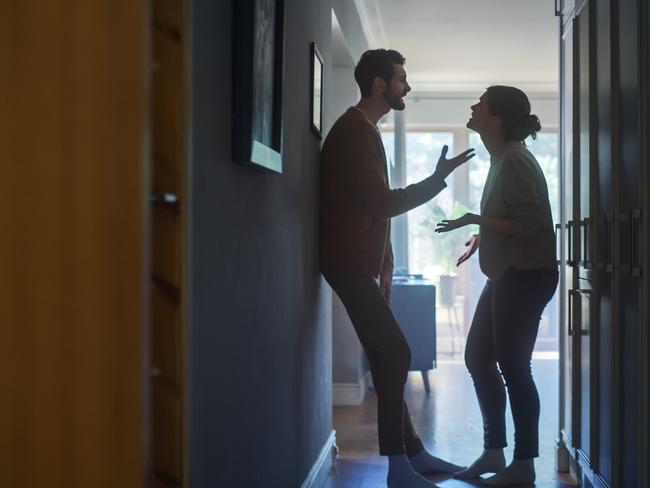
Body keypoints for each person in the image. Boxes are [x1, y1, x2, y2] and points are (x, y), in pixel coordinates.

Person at [320, 49, 475, 488]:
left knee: (386, 355)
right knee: (397, 352)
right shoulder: (355, 131)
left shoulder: (364, 129)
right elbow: (383, 202)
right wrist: (436, 177)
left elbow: (371, 207)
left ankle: (413, 455)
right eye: (401, 79)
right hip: (346, 264)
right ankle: (398, 468)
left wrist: (386, 263)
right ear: (379, 85)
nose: (407, 87)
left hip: (357, 264)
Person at [435, 85, 558, 486]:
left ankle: (523, 466)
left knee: (513, 367)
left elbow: (529, 225)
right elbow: (512, 221)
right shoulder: (502, 158)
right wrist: (483, 237)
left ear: (498, 118)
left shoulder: (515, 161)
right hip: (509, 273)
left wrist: (474, 220)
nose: (473, 106)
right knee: (477, 358)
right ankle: (493, 452)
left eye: (481, 103)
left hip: (527, 276)